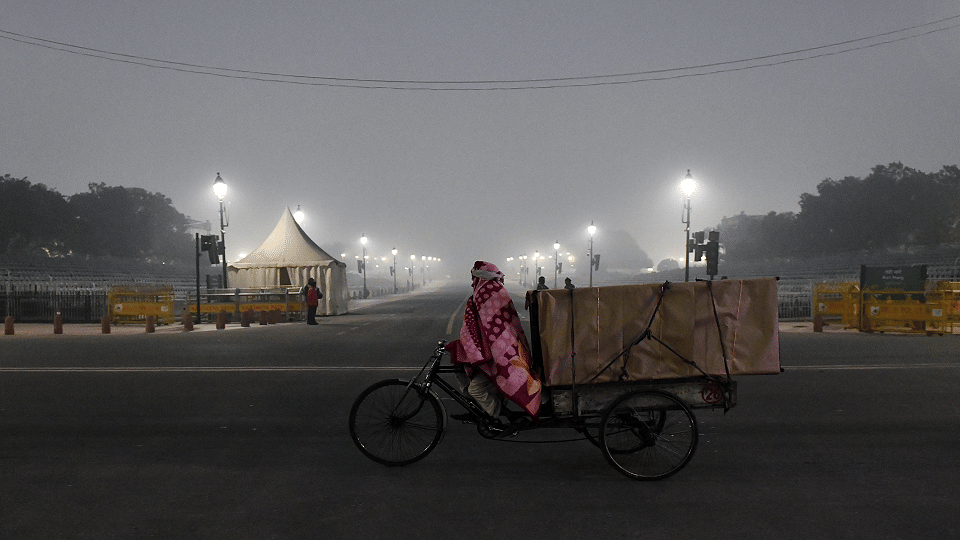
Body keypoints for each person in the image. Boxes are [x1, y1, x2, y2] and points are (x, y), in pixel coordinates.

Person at [445, 261, 542, 423]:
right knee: (466, 373)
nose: (472, 283)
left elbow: (485, 328)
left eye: (473, 279)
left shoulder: (485, 292)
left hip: (499, 356)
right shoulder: (497, 289)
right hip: (507, 350)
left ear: (480, 278)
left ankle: (497, 416)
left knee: (476, 389)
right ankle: (481, 409)